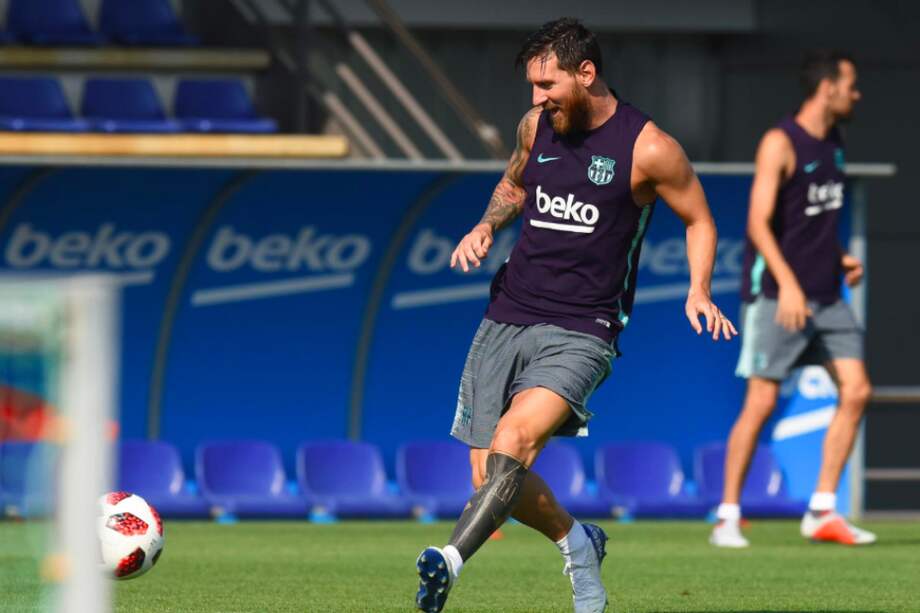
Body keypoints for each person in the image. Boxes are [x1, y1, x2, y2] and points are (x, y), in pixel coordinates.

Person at [413, 18, 737, 613]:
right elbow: (515, 183)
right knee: (488, 474)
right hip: (507, 312)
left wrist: (699, 289)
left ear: (586, 73)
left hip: (584, 327)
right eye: (532, 86)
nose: (538, 98)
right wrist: (485, 225)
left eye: (548, 84)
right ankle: (578, 542)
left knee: (514, 442)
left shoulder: (649, 147)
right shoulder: (534, 126)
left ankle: (450, 560)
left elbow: (700, 219)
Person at [710, 51, 875, 549]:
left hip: (827, 296)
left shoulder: (834, 142)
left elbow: (813, 224)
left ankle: (822, 511)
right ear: (828, 88)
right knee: (761, 401)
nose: (857, 94)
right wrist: (790, 286)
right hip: (777, 295)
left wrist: (842, 257)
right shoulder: (779, 142)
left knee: (857, 391)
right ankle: (727, 517)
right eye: (851, 85)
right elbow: (758, 224)